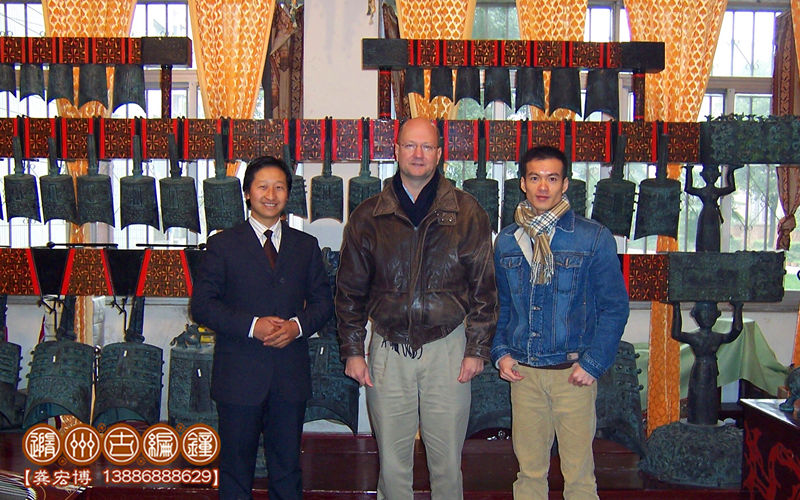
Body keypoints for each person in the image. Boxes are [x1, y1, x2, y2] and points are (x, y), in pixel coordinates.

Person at [336, 117, 498, 500]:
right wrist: (352, 350)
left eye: (427, 146)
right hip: (388, 348)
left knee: (447, 464)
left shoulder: (467, 212)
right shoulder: (368, 216)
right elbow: (349, 292)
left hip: (449, 347)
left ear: (439, 153)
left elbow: (484, 288)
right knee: (392, 464)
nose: (418, 154)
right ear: (396, 151)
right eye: (410, 145)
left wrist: (477, 349)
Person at [191, 156, 333, 500]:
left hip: (289, 377)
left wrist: (297, 327)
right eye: (263, 187)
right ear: (247, 193)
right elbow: (203, 306)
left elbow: (323, 304)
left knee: (287, 471)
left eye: (279, 187)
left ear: (288, 194)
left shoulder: (305, 246)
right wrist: (252, 326)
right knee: (235, 473)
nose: (271, 195)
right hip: (238, 377)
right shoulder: (223, 245)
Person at [492, 145, 629, 500]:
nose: (543, 187)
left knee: (579, 477)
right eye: (535, 178)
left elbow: (615, 307)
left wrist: (593, 364)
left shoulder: (592, 237)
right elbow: (502, 305)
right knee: (529, 474)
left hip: (573, 375)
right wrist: (501, 352)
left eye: (552, 178)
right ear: (523, 183)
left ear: (565, 184)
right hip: (524, 374)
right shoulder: (507, 241)